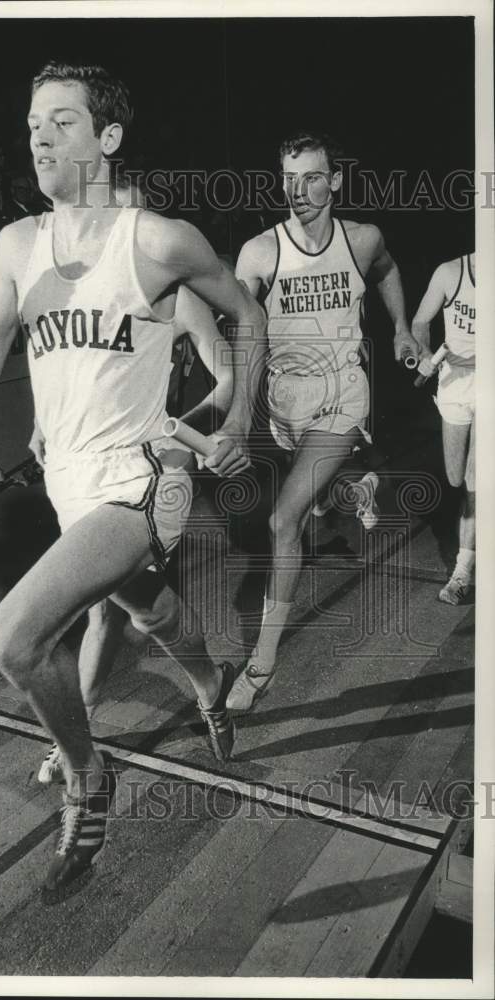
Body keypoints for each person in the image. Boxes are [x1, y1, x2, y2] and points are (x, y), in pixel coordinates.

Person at [0, 61, 265, 902]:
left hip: (146, 479)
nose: (38, 133)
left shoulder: (155, 239)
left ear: (107, 137)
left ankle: (87, 777)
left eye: (61, 121)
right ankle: (211, 682)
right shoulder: (15, 244)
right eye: (32, 120)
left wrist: (239, 423)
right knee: (147, 611)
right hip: (70, 484)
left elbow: (247, 315)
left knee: (13, 637)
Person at [229, 130, 420, 711]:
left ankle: (260, 666)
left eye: (312, 176)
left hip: (343, 391)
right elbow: (245, 327)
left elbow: (386, 271)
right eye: (289, 179)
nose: (300, 190)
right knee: (311, 493)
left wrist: (403, 328)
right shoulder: (260, 251)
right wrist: (241, 403)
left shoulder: (362, 239)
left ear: (335, 180)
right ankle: (354, 488)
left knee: (283, 519)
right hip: (284, 398)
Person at [31, 282, 236, 784]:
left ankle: (207, 684)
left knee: (136, 607)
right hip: (84, 470)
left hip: (149, 471)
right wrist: (42, 422)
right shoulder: (78, 289)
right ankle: (203, 687)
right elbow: (71, 374)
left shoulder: (177, 295)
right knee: (102, 610)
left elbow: (228, 379)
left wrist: (172, 429)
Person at [411, 253, 476, 605]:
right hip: (453, 387)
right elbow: (421, 321)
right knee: (455, 478)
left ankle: (461, 574)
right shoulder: (450, 271)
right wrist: (423, 351)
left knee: (475, 481)